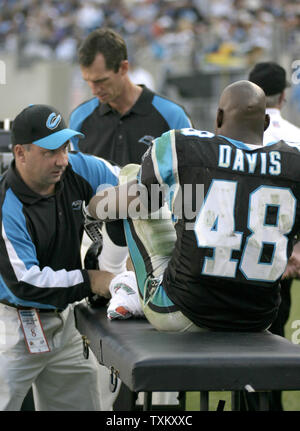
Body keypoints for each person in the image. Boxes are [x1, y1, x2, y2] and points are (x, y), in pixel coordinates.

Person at [88, 80, 300, 335]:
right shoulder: (293, 162)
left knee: (134, 181)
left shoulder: (184, 146)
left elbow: (140, 201)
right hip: (258, 318)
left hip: (182, 311)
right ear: (265, 123)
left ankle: (124, 284)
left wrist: (92, 208)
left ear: (219, 116)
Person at [0, 103, 121, 411]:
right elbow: (26, 281)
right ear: (20, 152)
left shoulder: (77, 168)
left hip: (65, 322)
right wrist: (92, 279)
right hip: (12, 327)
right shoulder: (6, 206)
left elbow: (129, 183)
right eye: (50, 151)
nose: (62, 160)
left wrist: (125, 221)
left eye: (65, 147)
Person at [249, 62, 300, 410]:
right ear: (284, 94)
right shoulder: (296, 136)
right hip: (284, 254)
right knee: (278, 337)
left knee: (244, 344)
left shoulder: (233, 135)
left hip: (240, 256)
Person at [69, 28, 192, 166]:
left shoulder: (172, 116)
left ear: (123, 68)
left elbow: (192, 178)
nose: (94, 90)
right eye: (88, 81)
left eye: (101, 81)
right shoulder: (79, 119)